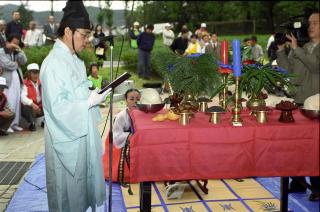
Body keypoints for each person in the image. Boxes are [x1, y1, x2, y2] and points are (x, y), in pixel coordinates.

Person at [40, 1, 110, 211]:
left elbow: (76, 93)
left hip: (82, 134)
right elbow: (57, 109)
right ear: (68, 31)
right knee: (67, 195)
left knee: (80, 191)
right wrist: (87, 102)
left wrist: (92, 94)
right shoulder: (53, 63)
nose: (87, 41)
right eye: (84, 35)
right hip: (66, 141)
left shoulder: (75, 61)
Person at [276, 12, 320, 201]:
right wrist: (280, 50)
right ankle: (299, 183)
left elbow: (316, 67)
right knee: (297, 146)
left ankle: (317, 187)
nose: (310, 26)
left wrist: (297, 49)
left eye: (316, 23)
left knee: (315, 148)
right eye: (309, 23)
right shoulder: (303, 47)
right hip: (299, 103)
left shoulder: (311, 49)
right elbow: (288, 70)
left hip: (316, 106)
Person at [102, 89, 140, 183]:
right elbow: (116, 136)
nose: (135, 102)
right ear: (126, 101)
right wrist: (131, 136)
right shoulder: (121, 116)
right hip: (120, 144)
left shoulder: (142, 114)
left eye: (138, 99)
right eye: (131, 99)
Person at [0, 34, 27, 132]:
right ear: (7, 42)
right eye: (14, 43)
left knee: (16, 101)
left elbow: (24, 61)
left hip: (17, 80)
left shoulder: (16, 52)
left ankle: (15, 123)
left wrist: (19, 49)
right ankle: (8, 125)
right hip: (7, 81)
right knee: (10, 101)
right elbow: (7, 65)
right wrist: (16, 64)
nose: (15, 45)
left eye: (17, 44)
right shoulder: (1, 52)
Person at [21, 63, 43, 131]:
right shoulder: (25, 83)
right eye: (33, 73)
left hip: (40, 106)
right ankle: (32, 123)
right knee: (26, 106)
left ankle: (44, 121)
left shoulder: (42, 82)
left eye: (37, 73)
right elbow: (22, 98)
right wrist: (32, 104)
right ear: (29, 74)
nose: (35, 75)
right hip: (31, 108)